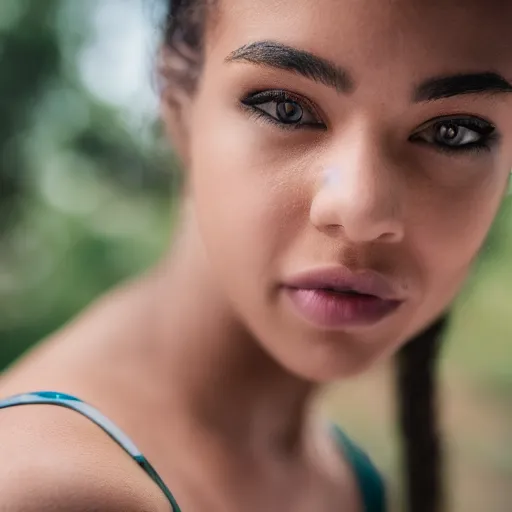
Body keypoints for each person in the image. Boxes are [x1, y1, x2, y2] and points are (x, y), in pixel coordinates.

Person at [1, 0, 511, 510]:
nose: (359, 208)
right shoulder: (55, 488)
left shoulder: (342, 473)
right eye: (284, 107)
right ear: (178, 102)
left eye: (455, 132)